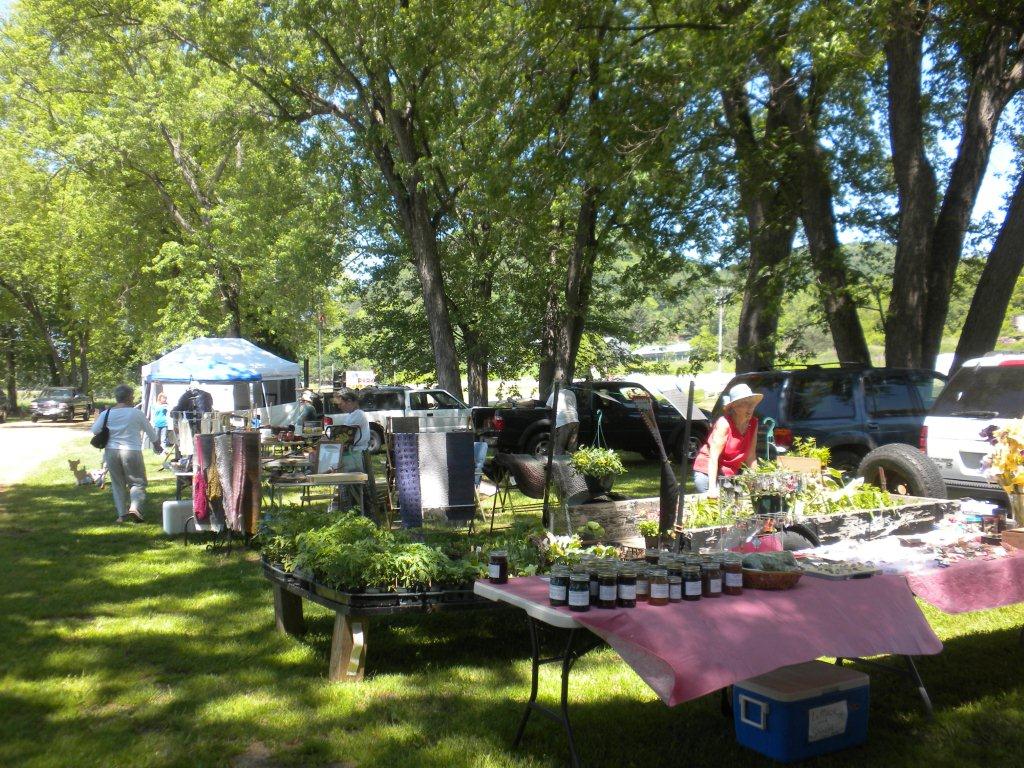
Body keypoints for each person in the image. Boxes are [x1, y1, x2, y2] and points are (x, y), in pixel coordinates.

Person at [92, 384, 162, 523]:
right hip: (131, 450)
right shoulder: (136, 413)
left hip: (111, 451)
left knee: (117, 483)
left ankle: (121, 515)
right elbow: (150, 431)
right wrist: (157, 445)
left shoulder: (106, 413)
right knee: (137, 482)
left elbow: (95, 430)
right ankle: (135, 508)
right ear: (129, 397)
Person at [692, 383, 762, 496]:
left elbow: (751, 458)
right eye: (744, 403)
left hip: (729, 474)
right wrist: (712, 488)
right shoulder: (724, 424)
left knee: (736, 504)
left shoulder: (753, 423)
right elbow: (713, 458)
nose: (750, 408)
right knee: (716, 507)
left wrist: (756, 486)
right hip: (707, 472)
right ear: (734, 406)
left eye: (751, 403)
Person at [331, 389, 370, 467]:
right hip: (353, 451)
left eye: (340, 404)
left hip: (357, 453)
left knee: (354, 477)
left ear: (349, 402)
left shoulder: (358, 414)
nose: (339, 406)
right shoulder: (351, 415)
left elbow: (345, 434)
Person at [545, 380, 579, 454]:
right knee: (572, 447)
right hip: (575, 419)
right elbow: (575, 407)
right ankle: (571, 463)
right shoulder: (572, 393)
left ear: (558, 386)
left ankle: (558, 463)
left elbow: (547, 407)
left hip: (563, 421)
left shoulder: (554, 394)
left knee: (559, 446)